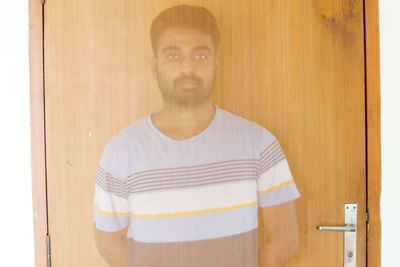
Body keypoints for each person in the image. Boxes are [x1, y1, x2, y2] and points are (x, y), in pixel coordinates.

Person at [93, 4, 300, 267]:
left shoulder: (259, 145)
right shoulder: (121, 153)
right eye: (173, 56)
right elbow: (108, 242)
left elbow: (284, 239)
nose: (188, 67)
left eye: (200, 56)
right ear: (154, 65)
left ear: (216, 62)